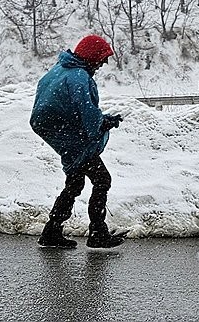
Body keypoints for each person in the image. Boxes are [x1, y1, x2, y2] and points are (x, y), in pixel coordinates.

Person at [30, 34, 125, 249]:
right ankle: (98, 232)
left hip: (62, 136)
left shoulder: (58, 70)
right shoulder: (79, 78)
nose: (103, 64)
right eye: (101, 59)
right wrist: (105, 122)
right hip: (74, 139)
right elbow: (89, 117)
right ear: (92, 57)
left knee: (74, 183)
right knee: (102, 180)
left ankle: (52, 230)